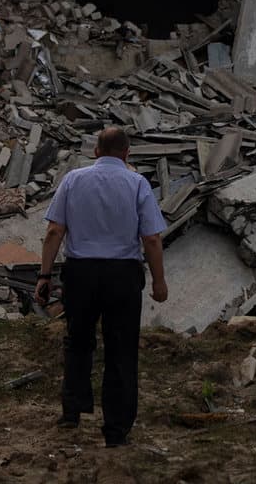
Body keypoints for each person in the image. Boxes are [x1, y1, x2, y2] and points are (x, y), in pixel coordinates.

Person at [35, 126, 168, 448]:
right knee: (121, 351)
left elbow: (55, 231)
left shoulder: (73, 180)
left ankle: (72, 411)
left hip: (80, 274)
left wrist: (44, 274)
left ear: (95, 151)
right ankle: (116, 430)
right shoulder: (137, 183)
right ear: (127, 154)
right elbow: (150, 238)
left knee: (78, 342)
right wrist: (159, 281)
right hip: (122, 276)